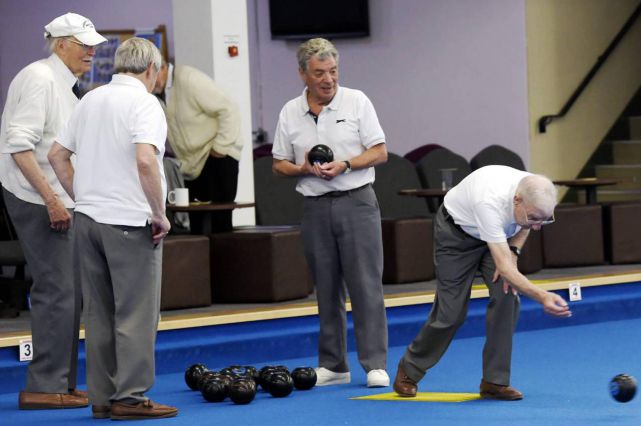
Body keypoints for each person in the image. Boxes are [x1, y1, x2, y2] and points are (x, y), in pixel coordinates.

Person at [48, 37, 177, 420]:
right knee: (136, 314)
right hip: (128, 221)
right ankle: (132, 398)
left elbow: (57, 156)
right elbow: (145, 162)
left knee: (100, 314)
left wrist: (83, 195)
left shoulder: (90, 98)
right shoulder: (145, 103)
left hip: (87, 219)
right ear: (152, 70)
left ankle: (103, 398)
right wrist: (159, 213)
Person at [0, 12, 106, 410]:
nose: (92, 51)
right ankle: (44, 385)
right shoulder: (39, 79)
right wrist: (52, 199)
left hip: (55, 196)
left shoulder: (65, 83)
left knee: (70, 292)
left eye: (93, 44)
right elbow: (18, 145)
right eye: (85, 45)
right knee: (57, 291)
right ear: (61, 44)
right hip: (35, 197)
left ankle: (59, 381)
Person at [393, 165, 572, 399]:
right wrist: (542, 295)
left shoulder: (532, 192)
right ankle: (410, 368)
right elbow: (505, 267)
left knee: (507, 296)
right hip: (456, 236)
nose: (538, 226)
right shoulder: (490, 202)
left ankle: (494, 382)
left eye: (545, 220)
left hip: (499, 238)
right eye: (535, 218)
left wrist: (514, 251)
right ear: (517, 201)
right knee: (451, 314)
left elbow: (523, 227)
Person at [272, 38, 390, 388]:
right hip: (315, 206)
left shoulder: (357, 101)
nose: (329, 79)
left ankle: (375, 364)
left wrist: (346, 164)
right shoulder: (289, 111)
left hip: (357, 201)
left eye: (333, 71)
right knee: (325, 288)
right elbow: (279, 164)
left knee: (366, 285)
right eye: (320, 73)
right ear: (303, 75)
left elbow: (380, 152)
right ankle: (334, 365)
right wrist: (304, 169)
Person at [152, 60, 243, 233]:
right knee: (196, 226)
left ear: (163, 67)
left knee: (219, 225)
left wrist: (220, 148)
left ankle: (224, 261)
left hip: (217, 156)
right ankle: (201, 261)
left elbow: (228, 109)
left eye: (152, 75)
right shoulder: (158, 93)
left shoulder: (188, 78)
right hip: (192, 165)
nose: (150, 81)